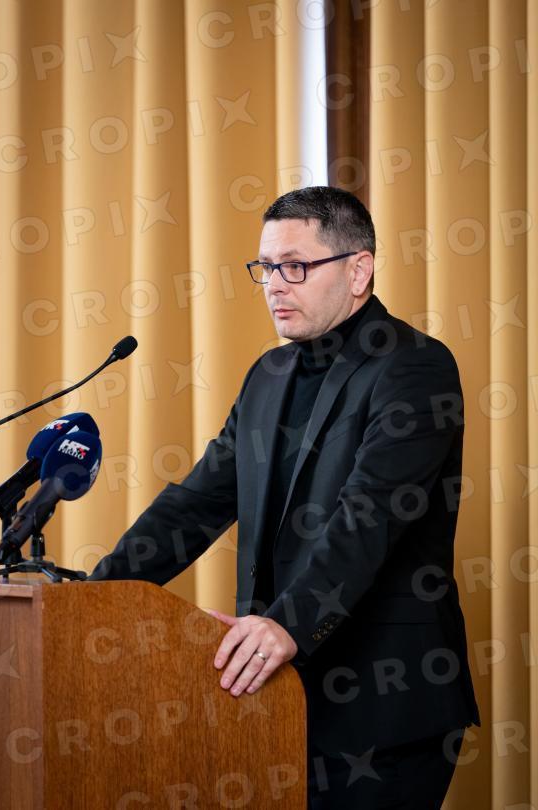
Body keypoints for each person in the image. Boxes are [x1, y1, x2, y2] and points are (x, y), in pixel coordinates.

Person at [89, 186, 480, 808]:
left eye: (294, 266)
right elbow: (195, 505)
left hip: (385, 707)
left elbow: (370, 517)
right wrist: (93, 600)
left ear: (358, 270)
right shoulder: (267, 376)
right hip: (273, 698)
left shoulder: (415, 367)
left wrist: (286, 625)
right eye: (265, 267)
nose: (274, 284)